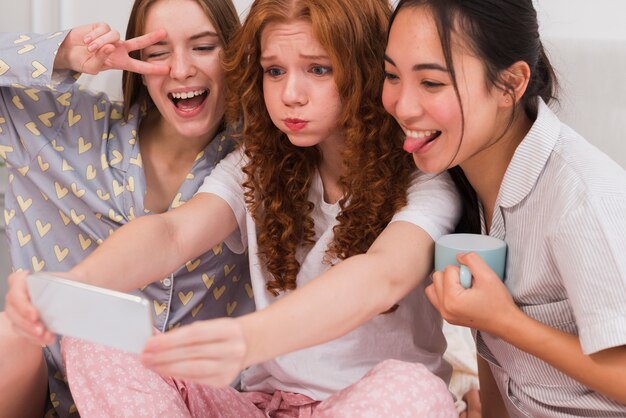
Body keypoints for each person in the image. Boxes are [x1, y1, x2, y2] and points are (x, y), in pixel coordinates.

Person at [6, 0, 464, 416]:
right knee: (95, 334)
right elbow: (172, 234)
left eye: (318, 70)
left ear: (366, 70)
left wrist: (248, 340)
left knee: (418, 391)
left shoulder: (425, 183)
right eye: (274, 71)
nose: (290, 95)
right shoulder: (258, 166)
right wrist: (69, 287)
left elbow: (381, 277)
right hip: (259, 408)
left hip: (364, 404)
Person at [0, 0, 254, 416]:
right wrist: (63, 52)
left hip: (194, 400)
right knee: (9, 335)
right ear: (135, 61)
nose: (181, 69)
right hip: (53, 391)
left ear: (234, 54)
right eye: (158, 52)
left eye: (204, 47)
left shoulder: (260, 161)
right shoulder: (63, 129)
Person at [382, 0, 626, 417]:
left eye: (432, 83)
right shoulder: (463, 175)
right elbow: (494, 357)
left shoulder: (581, 198)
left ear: (509, 85)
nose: (402, 106)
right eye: (391, 75)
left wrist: (505, 321)